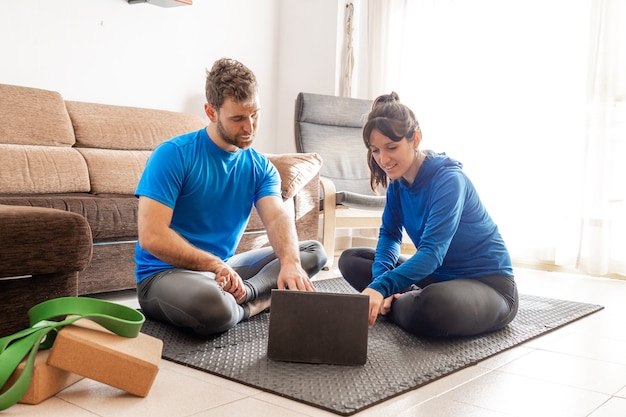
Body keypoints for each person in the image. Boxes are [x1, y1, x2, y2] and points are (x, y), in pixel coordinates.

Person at [134, 58, 327, 335]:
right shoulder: (173, 155)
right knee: (214, 307)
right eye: (238, 118)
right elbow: (152, 236)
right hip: (164, 275)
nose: (250, 127)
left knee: (309, 252)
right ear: (211, 112)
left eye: (255, 114)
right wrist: (214, 264)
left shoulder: (260, 167)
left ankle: (246, 293)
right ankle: (257, 304)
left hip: (225, 272)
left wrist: (290, 263)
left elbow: (276, 217)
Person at [338, 92, 518, 337]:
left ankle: (403, 303)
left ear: (415, 139)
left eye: (391, 147)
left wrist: (379, 288)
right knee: (351, 259)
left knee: (434, 305)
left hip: (488, 285)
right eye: (376, 151)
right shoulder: (398, 184)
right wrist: (382, 284)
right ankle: (401, 300)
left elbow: (432, 253)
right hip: (436, 277)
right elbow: (390, 236)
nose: (383, 159)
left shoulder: (449, 180)